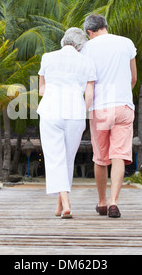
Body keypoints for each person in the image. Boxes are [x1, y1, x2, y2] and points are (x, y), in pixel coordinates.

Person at [81, 14, 137, 218]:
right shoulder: (126, 43)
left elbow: (87, 83)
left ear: (89, 32)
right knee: (119, 155)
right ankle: (114, 201)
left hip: (100, 108)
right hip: (123, 106)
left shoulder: (86, 49)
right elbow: (133, 78)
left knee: (101, 158)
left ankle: (102, 202)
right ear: (105, 26)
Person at [38, 27, 96, 219]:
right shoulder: (87, 62)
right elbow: (89, 94)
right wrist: (83, 113)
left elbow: (41, 90)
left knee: (55, 158)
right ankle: (60, 204)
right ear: (81, 46)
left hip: (50, 112)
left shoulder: (48, 57)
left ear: (64, 41)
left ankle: (66, 202)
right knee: (67, 159)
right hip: (75, 114)